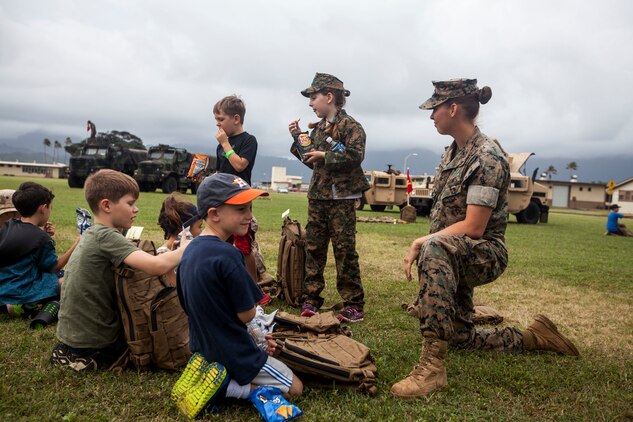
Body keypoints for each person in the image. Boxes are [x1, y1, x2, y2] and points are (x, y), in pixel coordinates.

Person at [391, 79, 579, 399]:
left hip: (483, 251)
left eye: (435, 108)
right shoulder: (451, 152)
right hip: (455, 249)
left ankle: (432, 370)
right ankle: (536, 337)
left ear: (453, 109)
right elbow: (446, 215)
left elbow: (475, 227)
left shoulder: (487, 155)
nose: (431, 115)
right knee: (461, 338)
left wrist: (423, 242)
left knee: (433, 247)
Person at [176, 173, 303, 403]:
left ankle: (211, 372)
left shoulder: (190, 250)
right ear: (214, 214)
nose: (249, 216)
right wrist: (259, 339)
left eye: (250, 208)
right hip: (234, 352)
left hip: (203, 348)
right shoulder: (229, 254)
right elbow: (246, 314)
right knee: (294, 388)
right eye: (241, 209)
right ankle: (229, 387)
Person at [51, 169, 191, 371]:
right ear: (106, 205)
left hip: (73, 337)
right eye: (130, 203)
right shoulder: (106, 237)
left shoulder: (92, 232)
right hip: (95, 342)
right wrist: (190, 246)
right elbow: (156, 266)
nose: (136, 210)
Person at [288, 72, 370, 323]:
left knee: (345, 251)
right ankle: (311, 299)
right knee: (314, 248)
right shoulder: (319, 130)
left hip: (342, 199)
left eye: (314, 97)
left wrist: (324, 155)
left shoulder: (351, 126)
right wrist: (298, 138)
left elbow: (356, 155)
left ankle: (353, 304)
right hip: (318, 197)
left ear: (329, 96)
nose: (311, 103)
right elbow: (310, 160)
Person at [0, 183, 78, 313]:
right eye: (50, 207)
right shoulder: (41, 238)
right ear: (43, 208)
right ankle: (24, 305)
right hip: (21, 291)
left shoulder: (8, 226)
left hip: (3, 289)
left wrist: (44, 235)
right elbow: (53, 266)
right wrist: (77, 244)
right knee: (67, 279)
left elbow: (24, 248)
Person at [213, 95, 262, 288]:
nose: (218, 125)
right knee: (222, 243)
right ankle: (226, 282)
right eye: (216, 120)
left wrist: (226, 144)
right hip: (223, 199)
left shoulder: (249, 140)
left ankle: (254, 287)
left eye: (221, 120)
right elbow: (220, 172)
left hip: (241, 199)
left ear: (236, 118)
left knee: (243, 246)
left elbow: (240, 165)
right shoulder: (220, 145)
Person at [157, 193, 203, 286]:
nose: (202, 232)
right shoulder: (163, 256)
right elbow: (179, 291)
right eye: (200, 227)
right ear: (185, 231)